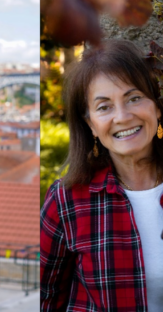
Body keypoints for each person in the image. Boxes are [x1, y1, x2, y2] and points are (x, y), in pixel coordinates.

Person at [40, 39, 163, 310]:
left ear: (156, 106)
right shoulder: (66, 202)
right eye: (104, 106)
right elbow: (45, 298)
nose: (122, 116)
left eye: (134, 98)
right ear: (91, 125)